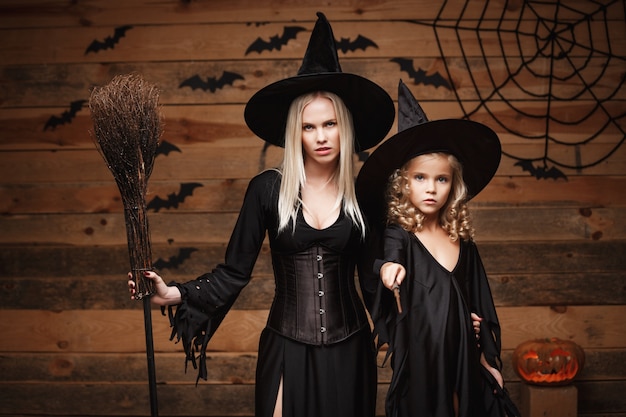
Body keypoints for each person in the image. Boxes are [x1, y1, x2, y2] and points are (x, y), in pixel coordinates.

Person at [128, 12, 395, 417]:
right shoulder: (268, 189)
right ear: (295, 132)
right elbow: (234, 272)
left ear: (346, 127)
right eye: (309, 127)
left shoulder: (362, 196)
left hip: (351, 346)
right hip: (287, 342)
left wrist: (438, 318)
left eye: (330, 124)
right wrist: (173, 294)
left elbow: (375, 282)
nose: (321, 137)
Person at [356, 80, 520, 417]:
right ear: (403, 183)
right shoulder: (399, 235)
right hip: (421, 364)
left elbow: (478, 305)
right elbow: (387, 262)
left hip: (463, 360)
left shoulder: (463, 243)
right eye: (420, 178)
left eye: (441, 179)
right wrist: (388, 270)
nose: (430, 188)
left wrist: (485, 358)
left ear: (453, 185)